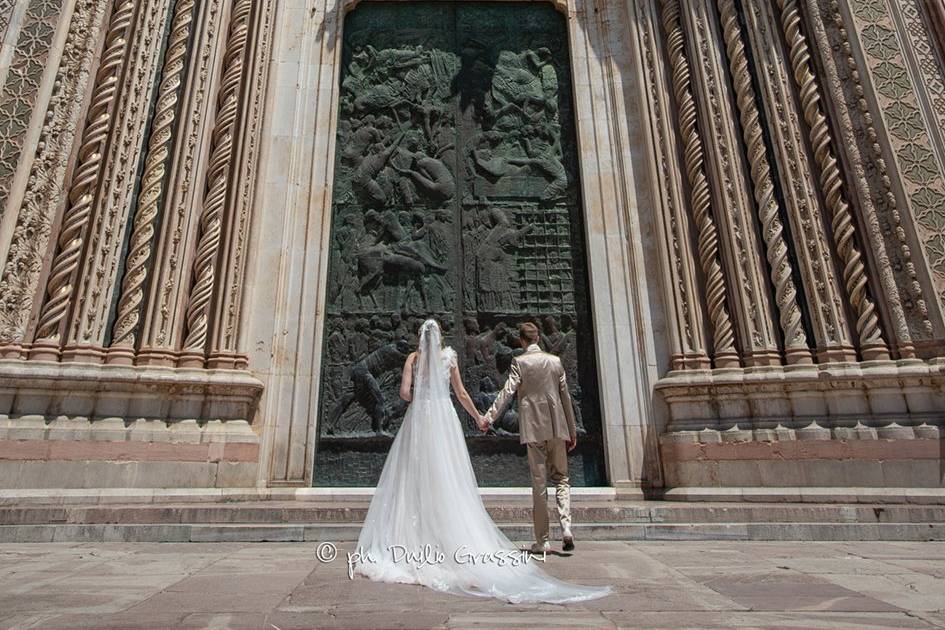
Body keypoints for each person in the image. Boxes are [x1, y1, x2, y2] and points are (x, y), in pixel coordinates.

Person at [352, 319, 610, 604]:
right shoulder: (450, 358)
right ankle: (562, 527)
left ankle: (540, 538)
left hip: (421, 420)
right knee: (449, 474)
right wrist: (479, 418)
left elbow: (403, 394)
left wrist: (418, 398)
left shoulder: (413, 358)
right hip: (450, 419)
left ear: (419, 338)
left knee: (413, 476)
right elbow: (461, 393)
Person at [480, 322, 578, 554]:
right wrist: (572, 431)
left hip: (533, 429)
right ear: (539, 338)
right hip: (557, 428)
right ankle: (566, 527)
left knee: (540, 484)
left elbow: (507, 391)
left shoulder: (520, 362)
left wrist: (489, 417)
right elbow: (566, 399)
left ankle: (542, 540)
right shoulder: (555, 362)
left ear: (522, 341)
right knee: (562, 479)